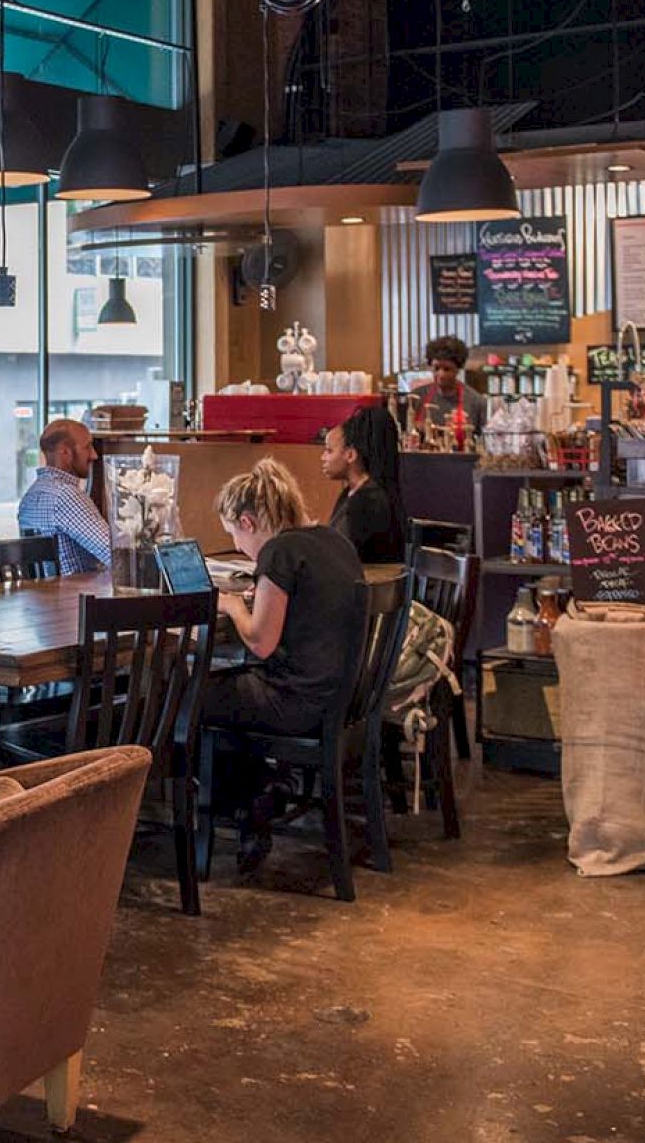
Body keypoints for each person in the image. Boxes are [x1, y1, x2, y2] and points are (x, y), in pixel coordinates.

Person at [205, 458, 366, 868]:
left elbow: (260, 642)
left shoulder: (279, 552)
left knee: (188, 694)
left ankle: (244, 803)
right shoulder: (332, 541)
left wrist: (231, 607)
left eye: (235, 535)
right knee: (221, 695)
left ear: (248, 521)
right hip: (336, 699)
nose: (239, 547)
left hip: (293, 702)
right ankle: (261, 789)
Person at [16, 418, 112, 574]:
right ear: (65, 451)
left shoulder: (29, 498)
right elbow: (115, 555)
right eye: (87, 447)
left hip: (44, 596)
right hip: (78, 595)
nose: (94, 455)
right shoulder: (66, 495)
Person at [322, 405, 407, 563]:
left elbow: (338, 556)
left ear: (351, 455)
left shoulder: (368, 502)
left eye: (329, 451)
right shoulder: (353, 493)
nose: (323, 458)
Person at [415, 335, 488, 440]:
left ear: (458, 369)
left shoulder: (476, 402)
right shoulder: (416, 397)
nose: (441, 374)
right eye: (436, 368)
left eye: (447, 369)